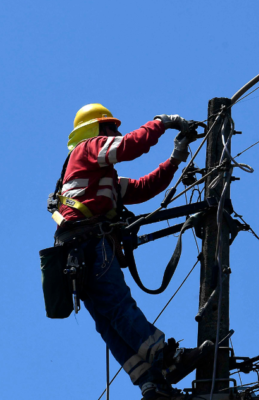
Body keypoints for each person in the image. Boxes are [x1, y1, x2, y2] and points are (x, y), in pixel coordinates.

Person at [51, 103, 213, 400]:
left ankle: (152, 384)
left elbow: (142, 188)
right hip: (87, 244)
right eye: (111, 127)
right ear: (96, 130)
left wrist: (176, 156)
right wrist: (163, 122)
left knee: (108, 320)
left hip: (73, 254)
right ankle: (167, 359)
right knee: (117, 307)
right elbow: (129, 146)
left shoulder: (95, 176)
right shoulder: (88, 148)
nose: (117, 132)